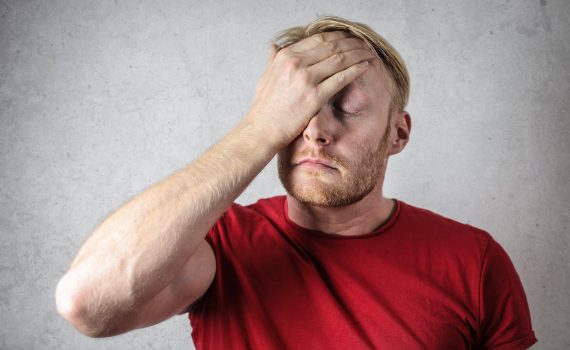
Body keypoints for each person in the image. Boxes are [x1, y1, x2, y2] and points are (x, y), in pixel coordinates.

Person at [55, 16, 537, 349]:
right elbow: (86, 303)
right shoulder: (220, 246)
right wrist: (259, 129)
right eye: (298, 110)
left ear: (398, 133)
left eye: (346, 108)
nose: (315, 131)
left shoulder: (474, 261)